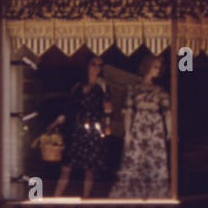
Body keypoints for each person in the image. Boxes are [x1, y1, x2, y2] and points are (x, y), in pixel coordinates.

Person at [110, 51, 171, 198]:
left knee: (154, 160)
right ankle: (133, 194)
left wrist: (170, 131)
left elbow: (168, 113)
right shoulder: (134, 88)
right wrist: (128, 133)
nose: (157, 69)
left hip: (155, 128)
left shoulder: (160, 91)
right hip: (139, 126)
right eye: (155, 66)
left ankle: (154, 195)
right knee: (136, 158)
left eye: (159, 67)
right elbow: (129, 111)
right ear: (148, 66)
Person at [53, 54, 113, 199]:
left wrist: (108, 119)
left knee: (89, 169)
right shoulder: (78, 86)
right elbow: (70, 107)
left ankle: (86, 199)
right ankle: (55, 197)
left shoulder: (103, 86)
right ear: (87, 65)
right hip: (77, 129)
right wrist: (58, 120)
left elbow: (108, 110)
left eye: (100, 65)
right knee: (66, 166)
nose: (96, 68)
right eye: (94, 64)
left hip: (94, 129)